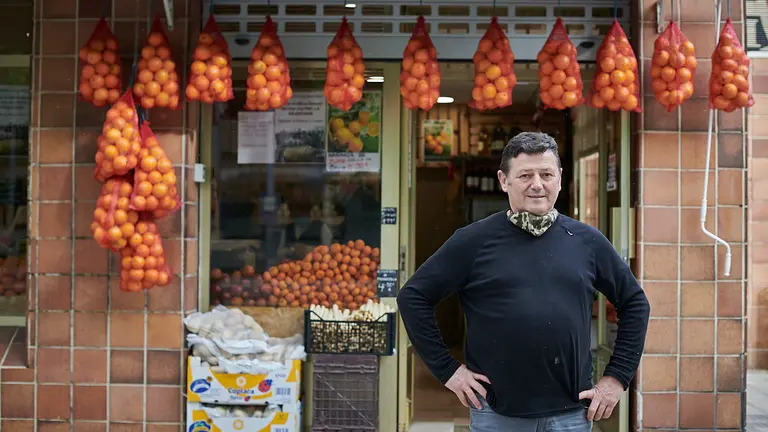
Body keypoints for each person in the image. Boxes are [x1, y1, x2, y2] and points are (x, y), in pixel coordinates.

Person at [397, 132, 650, 431]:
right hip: (497, 414)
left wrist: (617, 378)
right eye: (525, 175)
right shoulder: (473, 241)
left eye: (546, 174)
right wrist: (448, 370)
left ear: (559, 178)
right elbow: (413, 297)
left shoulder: (587, 241)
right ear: (504, 180)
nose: (537, 184)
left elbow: (635, 303)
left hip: (571, 415)